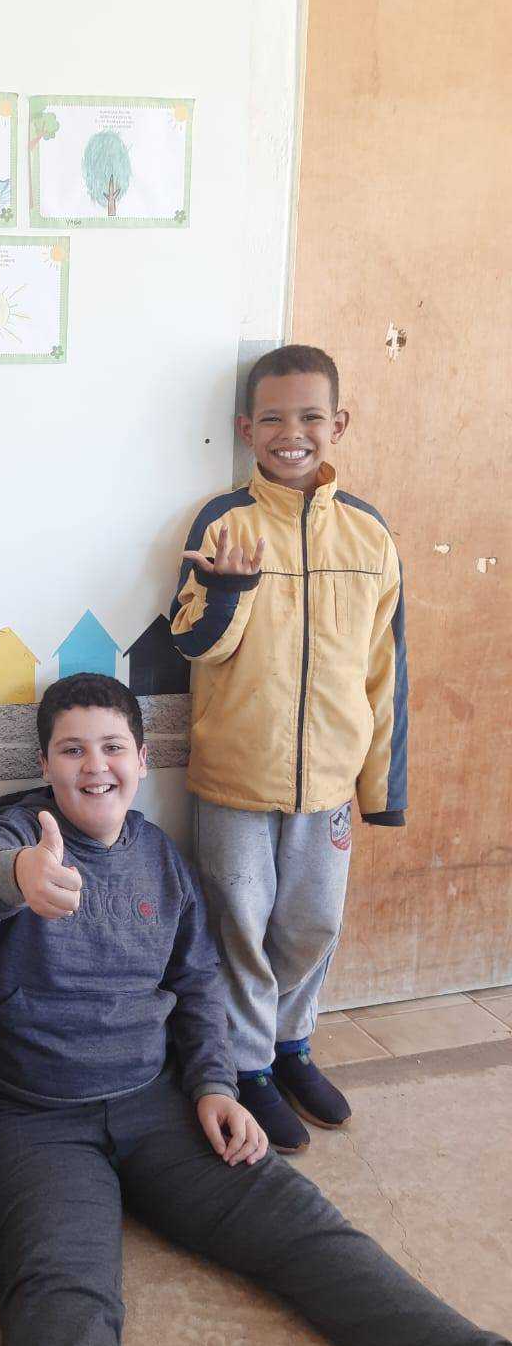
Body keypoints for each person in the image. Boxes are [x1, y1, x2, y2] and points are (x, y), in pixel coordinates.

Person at [0, 674, 511, 1346]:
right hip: (26, 1120)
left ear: (143, 759)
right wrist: (17, 877)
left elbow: (199, 983)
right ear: (44, 763)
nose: (94, 766)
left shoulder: (160, 859)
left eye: (112, 747)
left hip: (153, 1103)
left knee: (308, 1230)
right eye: (71, 750)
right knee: (66, 1298)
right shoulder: (14, 838)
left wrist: (214, 1085)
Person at [170, 343, 407, 1152]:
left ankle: (291, 1046)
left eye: (310, 417)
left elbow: (385, 668)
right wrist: (230, 587)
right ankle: (246, 1067)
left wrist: (381, 786)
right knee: (240, 924)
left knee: (310, 923)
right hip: (237, 778)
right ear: (247, 429)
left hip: (329, 782)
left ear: (339, 424)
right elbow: (193, 643)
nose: (291, 433)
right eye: (272, 418)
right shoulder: (223, 522)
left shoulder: (369, 534)